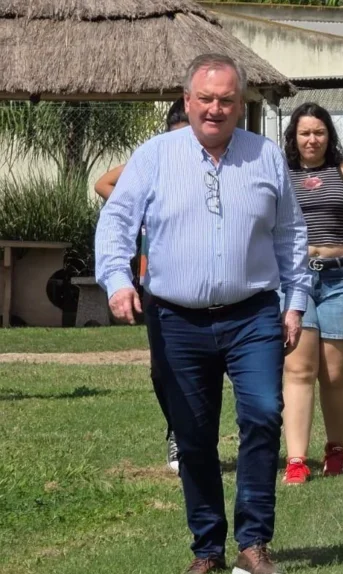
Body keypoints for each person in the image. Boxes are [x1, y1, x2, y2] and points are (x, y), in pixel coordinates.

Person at [94, 53, 311, 574]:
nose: (215, 109)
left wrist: (295, 301)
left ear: (240, 103)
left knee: (263, 414)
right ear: (187, 101)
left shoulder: (265, 157)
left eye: (226, 100)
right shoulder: (154, 156)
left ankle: (253, 544)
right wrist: (118, 280)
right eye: (206, 99)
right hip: (175, 319)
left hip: (252, 314)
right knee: (192, 434)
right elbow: (117, 220)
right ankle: (208, 546)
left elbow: (290, 234)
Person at [278, 102, 343, 485]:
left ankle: (335, 449)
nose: (312, 139)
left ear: (329, 135)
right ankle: (296, 459)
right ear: (294, 136)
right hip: (296, 281)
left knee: (334, 374)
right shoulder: (281, 172)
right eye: (305, 132)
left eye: (319, 132)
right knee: (299, 370)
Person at [94, 99, 188, 473]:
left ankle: (197, 435)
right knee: (161, 368)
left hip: (209, 285)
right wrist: (140, 206)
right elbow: (103, 183)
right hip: (157, 282)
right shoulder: (152, 163)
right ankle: (177, 430)